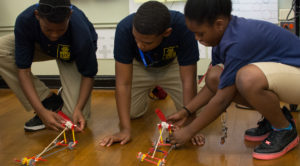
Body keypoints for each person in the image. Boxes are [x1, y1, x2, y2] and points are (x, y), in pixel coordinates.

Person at [168, 0, 300, 160]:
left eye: (200, 33)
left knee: (247, 78)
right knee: (214, 76)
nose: (196, 38)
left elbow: (223, 99)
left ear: (219, 24)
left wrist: (189, 131)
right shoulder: (223, 37)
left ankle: (284, 129)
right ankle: (276, 118)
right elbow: (214, 86)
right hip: (287, 74)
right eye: (193, 33)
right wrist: (186, 111)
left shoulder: (238, 41)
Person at [99, 1, 204, 147]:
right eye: (136, 38)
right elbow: (123, 83)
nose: (139, 45)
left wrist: (191, 127)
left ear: (166, 33)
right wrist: (124, 129)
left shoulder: (183, 26)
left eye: (146, 42)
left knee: (198, 109)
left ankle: (203, 86)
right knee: (131, 113)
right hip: (140, 66)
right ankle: (153, 89)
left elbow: (188, 80)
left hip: (173, 65)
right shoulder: (124, 28)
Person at [0, 0, 98, 132]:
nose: (54, 35)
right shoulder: (25, 20)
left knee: (72, 117)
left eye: (61, 30)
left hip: (71, 54)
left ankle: (66, 93)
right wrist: (41, 111)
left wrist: (79, 108)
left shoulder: (81, 32)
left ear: (70, 15)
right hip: (41, 46)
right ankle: (48, 101)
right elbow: (23, 71)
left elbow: (89, 74)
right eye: (48, 29)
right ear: (37, 15)